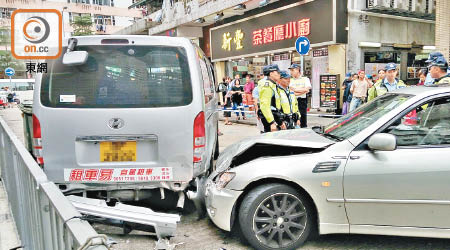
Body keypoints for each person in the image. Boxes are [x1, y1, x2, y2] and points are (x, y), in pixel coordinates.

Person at [258, 64, 284, 132]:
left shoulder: (273, 84)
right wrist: (272, 122)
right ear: (271, 73)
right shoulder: (267, 86)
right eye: (277, 72)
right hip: (269, 117)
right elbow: (265, 106)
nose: (279, 74)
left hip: (274, 115)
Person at [288, 64, 311, 128]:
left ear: (298, 70)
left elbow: (307, 89)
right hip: (292, 100)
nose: (291, 72)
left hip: (302, 100)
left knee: (303, 117)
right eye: (291, 70)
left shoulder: (305, 79)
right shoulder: (290, 80)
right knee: (293, 117)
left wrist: (295, 90)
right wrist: (302, 91)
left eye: (292, 70)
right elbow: (290, 91)